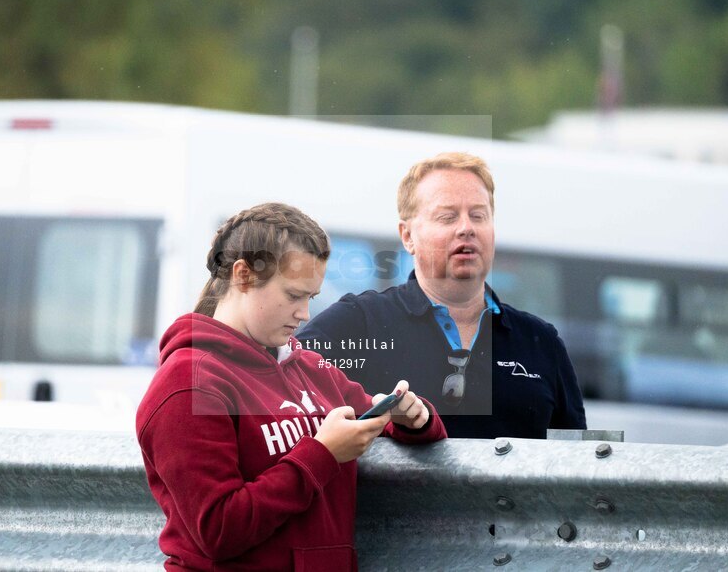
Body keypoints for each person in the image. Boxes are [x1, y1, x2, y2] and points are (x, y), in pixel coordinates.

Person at [136, 202, 446, 571]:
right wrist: (322, 454)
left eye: (310, 298)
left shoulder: (309, 367)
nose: (305, 314)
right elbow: (218, 530)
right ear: (243, 276)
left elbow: (387, 424)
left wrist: (413, 417)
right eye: (293, 295)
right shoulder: (189, 384)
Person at [297, 153, 586, 439]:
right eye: (447, 217)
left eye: (478, 215)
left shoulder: (541, 342)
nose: (466, 228)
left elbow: (578, 464)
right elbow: (276, 384)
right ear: (408, 236)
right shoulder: (360, 322)